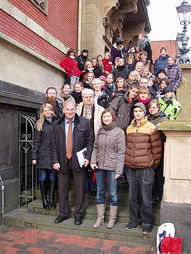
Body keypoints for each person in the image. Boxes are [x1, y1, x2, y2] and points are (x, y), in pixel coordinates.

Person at [52, 100, 94, 225]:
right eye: (67, 109)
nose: (70, 111)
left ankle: (79, 214)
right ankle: (63, 213)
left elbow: (90, 141)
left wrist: (88, 157)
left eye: (72, 109)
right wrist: (55, 160)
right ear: (63, 110)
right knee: (62, 189)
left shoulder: (84, 122)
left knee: (80, 189)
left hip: (79, 160)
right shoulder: (57, 124)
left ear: (76, 109)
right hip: (62, 161)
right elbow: (53, 144)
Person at [125, 102, 162, 234]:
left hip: (146, 168)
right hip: (131, 168)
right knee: (132, 197)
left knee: (146, 197)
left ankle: (147, 222)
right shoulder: (129, 128)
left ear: (144, 112)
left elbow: (157, 150)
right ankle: (134, 220)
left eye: (140, 111)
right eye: (135, 111)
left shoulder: (151, 127)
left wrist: (152, 165)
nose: (137, 113)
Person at [91, 109, 126, 229]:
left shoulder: (119, 132)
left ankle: (112, 219)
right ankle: (100, 218)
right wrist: (93, 161)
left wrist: (119, 170)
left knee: (113, 193)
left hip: (112, 167)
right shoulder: (100, 131)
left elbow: (121, 152)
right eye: (104, 117)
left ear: (113, 118)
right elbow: (95, 147)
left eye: (108, 116)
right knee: (99, 192)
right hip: (100, 166)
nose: (106, 118)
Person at [77, 89, 105, 195]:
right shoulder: (78, 108)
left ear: (93, 97)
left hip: (95, 140)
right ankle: (85, 186)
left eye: (90, 96)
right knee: (82, 163)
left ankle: (94, 187)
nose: (88, 98)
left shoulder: (100, 109)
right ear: (83, 98)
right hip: (81, 141)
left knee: (94, 164)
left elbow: (103, 125)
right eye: (86, 97)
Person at [32, 103, 57, 209]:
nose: (47, 112)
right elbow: (36, 141)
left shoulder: (57, 122)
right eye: (45, 111)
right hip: (42, 154)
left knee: (52, 177)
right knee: (43, 177)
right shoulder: (39, 123)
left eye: (49, 110)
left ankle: (51, 198)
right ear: (42, 112)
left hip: (54, 154)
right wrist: (34, 156)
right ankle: (44, 200)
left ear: (52, 111)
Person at [147, 99, 168, 205]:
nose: (151, 109)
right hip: (148, 150)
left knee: (158, 175)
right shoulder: (147, 118)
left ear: (158, 108)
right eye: (150, 108)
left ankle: (157, 195)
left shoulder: (163, 119)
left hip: (159, 150)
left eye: (154, 107)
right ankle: (150, 194)